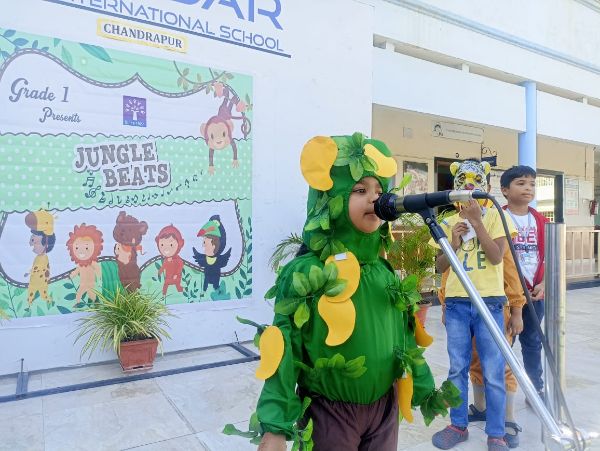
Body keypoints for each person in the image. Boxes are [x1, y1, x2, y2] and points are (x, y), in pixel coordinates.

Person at [250, 134, 457, 451]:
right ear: (328, 200)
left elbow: (402, 337)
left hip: (384, 409)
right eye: (360, 190)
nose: (374, 199)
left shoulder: (383, 271)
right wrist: (275, 426)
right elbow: (284, 345)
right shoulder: (306, 272)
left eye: (379, 191)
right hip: (329, 412)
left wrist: (423, 384)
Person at [429, 159, 516, 451]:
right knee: (457, 367)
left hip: (489, 303)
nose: (468, 185)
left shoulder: (497, 217)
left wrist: (477, 223)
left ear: (486, 186)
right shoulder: (445, 222)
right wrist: (452, 243)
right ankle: (458, 425)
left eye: (476, 181)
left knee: (493, 369)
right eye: (463, 180)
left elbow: (496, 257)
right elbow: (441, 266)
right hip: (457, 303)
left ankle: (496, 432)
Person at [438, 244, 525, 448]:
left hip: (493, 304)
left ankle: (506, 419)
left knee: (500, 365)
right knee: (467, 364)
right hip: (458, 305)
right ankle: (478, 409)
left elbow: (510, 269)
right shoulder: (451, 226)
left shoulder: (496, 226)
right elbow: (447, 270)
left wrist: (517, 308)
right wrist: (444, 303)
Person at [500, 165, 548, 401]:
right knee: (502, 344)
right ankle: (498, 391)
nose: (528, 188)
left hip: (534, 294)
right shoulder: (497, 217)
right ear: (505, 190)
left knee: (532, 343)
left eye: (532, 184)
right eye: (521, 183)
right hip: (505, 295)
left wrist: (544, 283)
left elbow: (549, 257)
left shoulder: (541, 221)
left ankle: (535, 390)